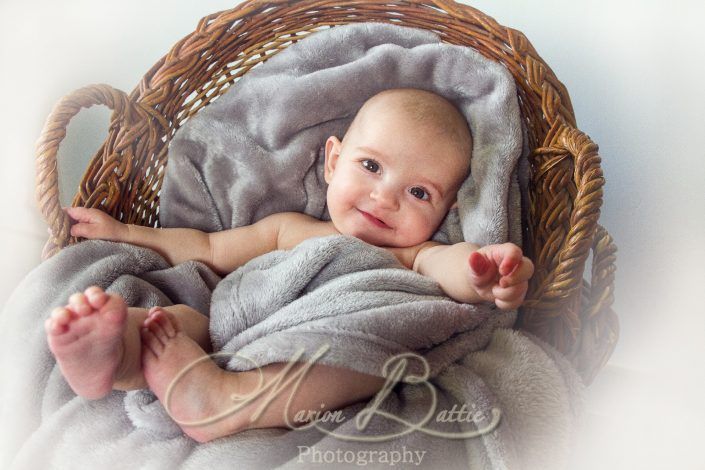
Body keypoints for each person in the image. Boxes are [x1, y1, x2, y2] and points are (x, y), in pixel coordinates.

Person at [44, 88, 534, 443]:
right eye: (370, 166)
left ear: (446, 212)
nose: (384, 198)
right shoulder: (290, 229)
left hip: (315, 347)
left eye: (418, 192)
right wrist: (127, 234)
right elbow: (207, 248)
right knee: (175, 323)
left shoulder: (410, 256)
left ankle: (227, 402)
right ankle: (120, 354)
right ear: (332, 161)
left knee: (358, 357)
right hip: (231, 331)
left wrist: (481, 273)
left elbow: (448, 268)